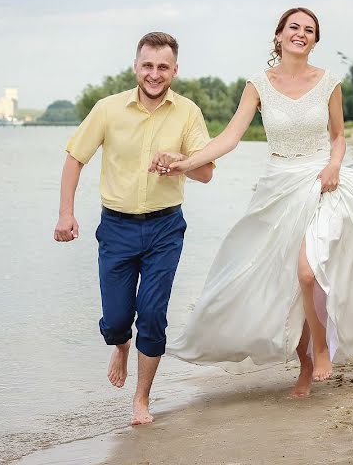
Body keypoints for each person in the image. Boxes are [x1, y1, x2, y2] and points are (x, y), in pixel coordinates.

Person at [153, 7, 353, 398]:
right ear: (278, 36)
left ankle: (322, 346)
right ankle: (305, 365)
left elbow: (338, 136)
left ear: (314, 40)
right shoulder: (259, 84)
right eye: (294, 27)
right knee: (279, 281)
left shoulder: (329, 82)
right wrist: (186, 162)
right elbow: (229, 137)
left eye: (309, 30)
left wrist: (334, 165)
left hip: (322, 182)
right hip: (277, 187)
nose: (301, 34)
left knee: (308, 272)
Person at [53, 31, 215, 424]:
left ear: (175, 70)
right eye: (148, 65)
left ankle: (141, 400)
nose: (154, 74)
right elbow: (76, 158)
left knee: (153, 315)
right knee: (115, 319)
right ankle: (120, 344)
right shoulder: (108, 109)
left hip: (165, 228)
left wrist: (180, 161)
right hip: (116, 229)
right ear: (135, 67)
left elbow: (207, 172)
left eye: (163, 67)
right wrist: (65, 213)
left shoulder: (188, 112)